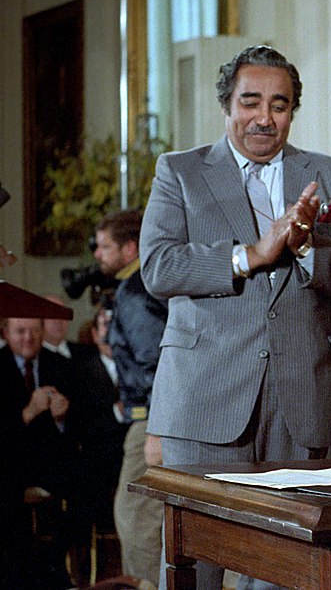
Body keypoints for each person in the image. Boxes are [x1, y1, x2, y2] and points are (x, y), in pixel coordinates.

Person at [140, 44, 331, 589]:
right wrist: (249, 255)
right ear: (227, 105)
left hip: (304, 400)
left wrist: (307, 247)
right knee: (200, 561)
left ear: (293, 111)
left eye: (280, 104)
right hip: (206, 400)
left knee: (290, 568)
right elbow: (158, 266)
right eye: (251, 102)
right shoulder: (181, 172)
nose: (265, 117)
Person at [93, 209, 167, 587]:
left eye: (105, 246)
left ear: (129, 248)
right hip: (155, 415)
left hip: (153, 420)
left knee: (135, 513)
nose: (97, 255)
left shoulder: (136, 291)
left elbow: (153, 360)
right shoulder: (141, 284)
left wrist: (156, 417)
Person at [0, 316, 79, 588]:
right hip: (8, 465)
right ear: (6, 333)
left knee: (86, 487)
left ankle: (53, 566)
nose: (28, 338)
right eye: (20, 331)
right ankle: (18, 574)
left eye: (34, 330)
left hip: (50, 463)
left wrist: (62, 417)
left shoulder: (61, 365)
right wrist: (29, 412)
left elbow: (82, 426)